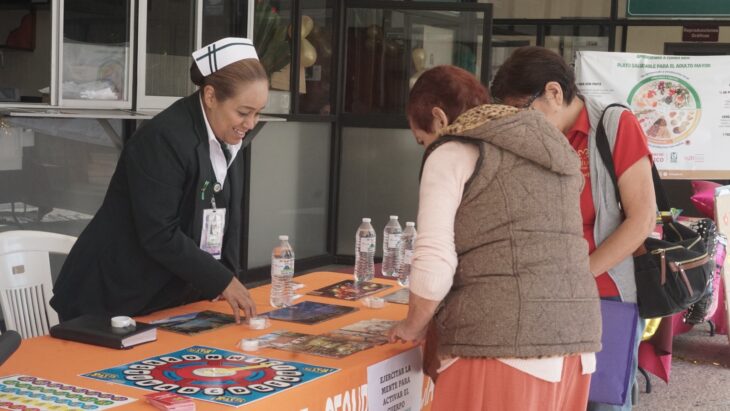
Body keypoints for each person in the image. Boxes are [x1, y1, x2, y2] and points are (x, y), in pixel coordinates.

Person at [388, 65, 602, 410]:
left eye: (422, 140)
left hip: (499, 345)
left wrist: (413, 325)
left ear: (439, 118)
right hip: (576, 344)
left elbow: (434, 262)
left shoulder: (452, 151)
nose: (426, 149)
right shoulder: (546, 148)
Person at [50, 38, 268, 323]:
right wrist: (222, 281)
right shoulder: (163, 138)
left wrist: (226, 275)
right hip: (112, 296)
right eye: (243, 112)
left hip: (169, 296)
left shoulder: (226, 136)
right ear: (211, 96)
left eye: (257, 113)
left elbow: (228, 217)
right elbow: (159, 233)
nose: (250, 124)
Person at [491, 46, 657, 411]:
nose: (518, 123)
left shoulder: (613, 125)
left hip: (604, 294)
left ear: (554, 92)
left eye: (522, 110)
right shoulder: (534, 140)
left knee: (600, 401)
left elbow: (642, 219)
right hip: (542, 294)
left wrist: (579, 277)